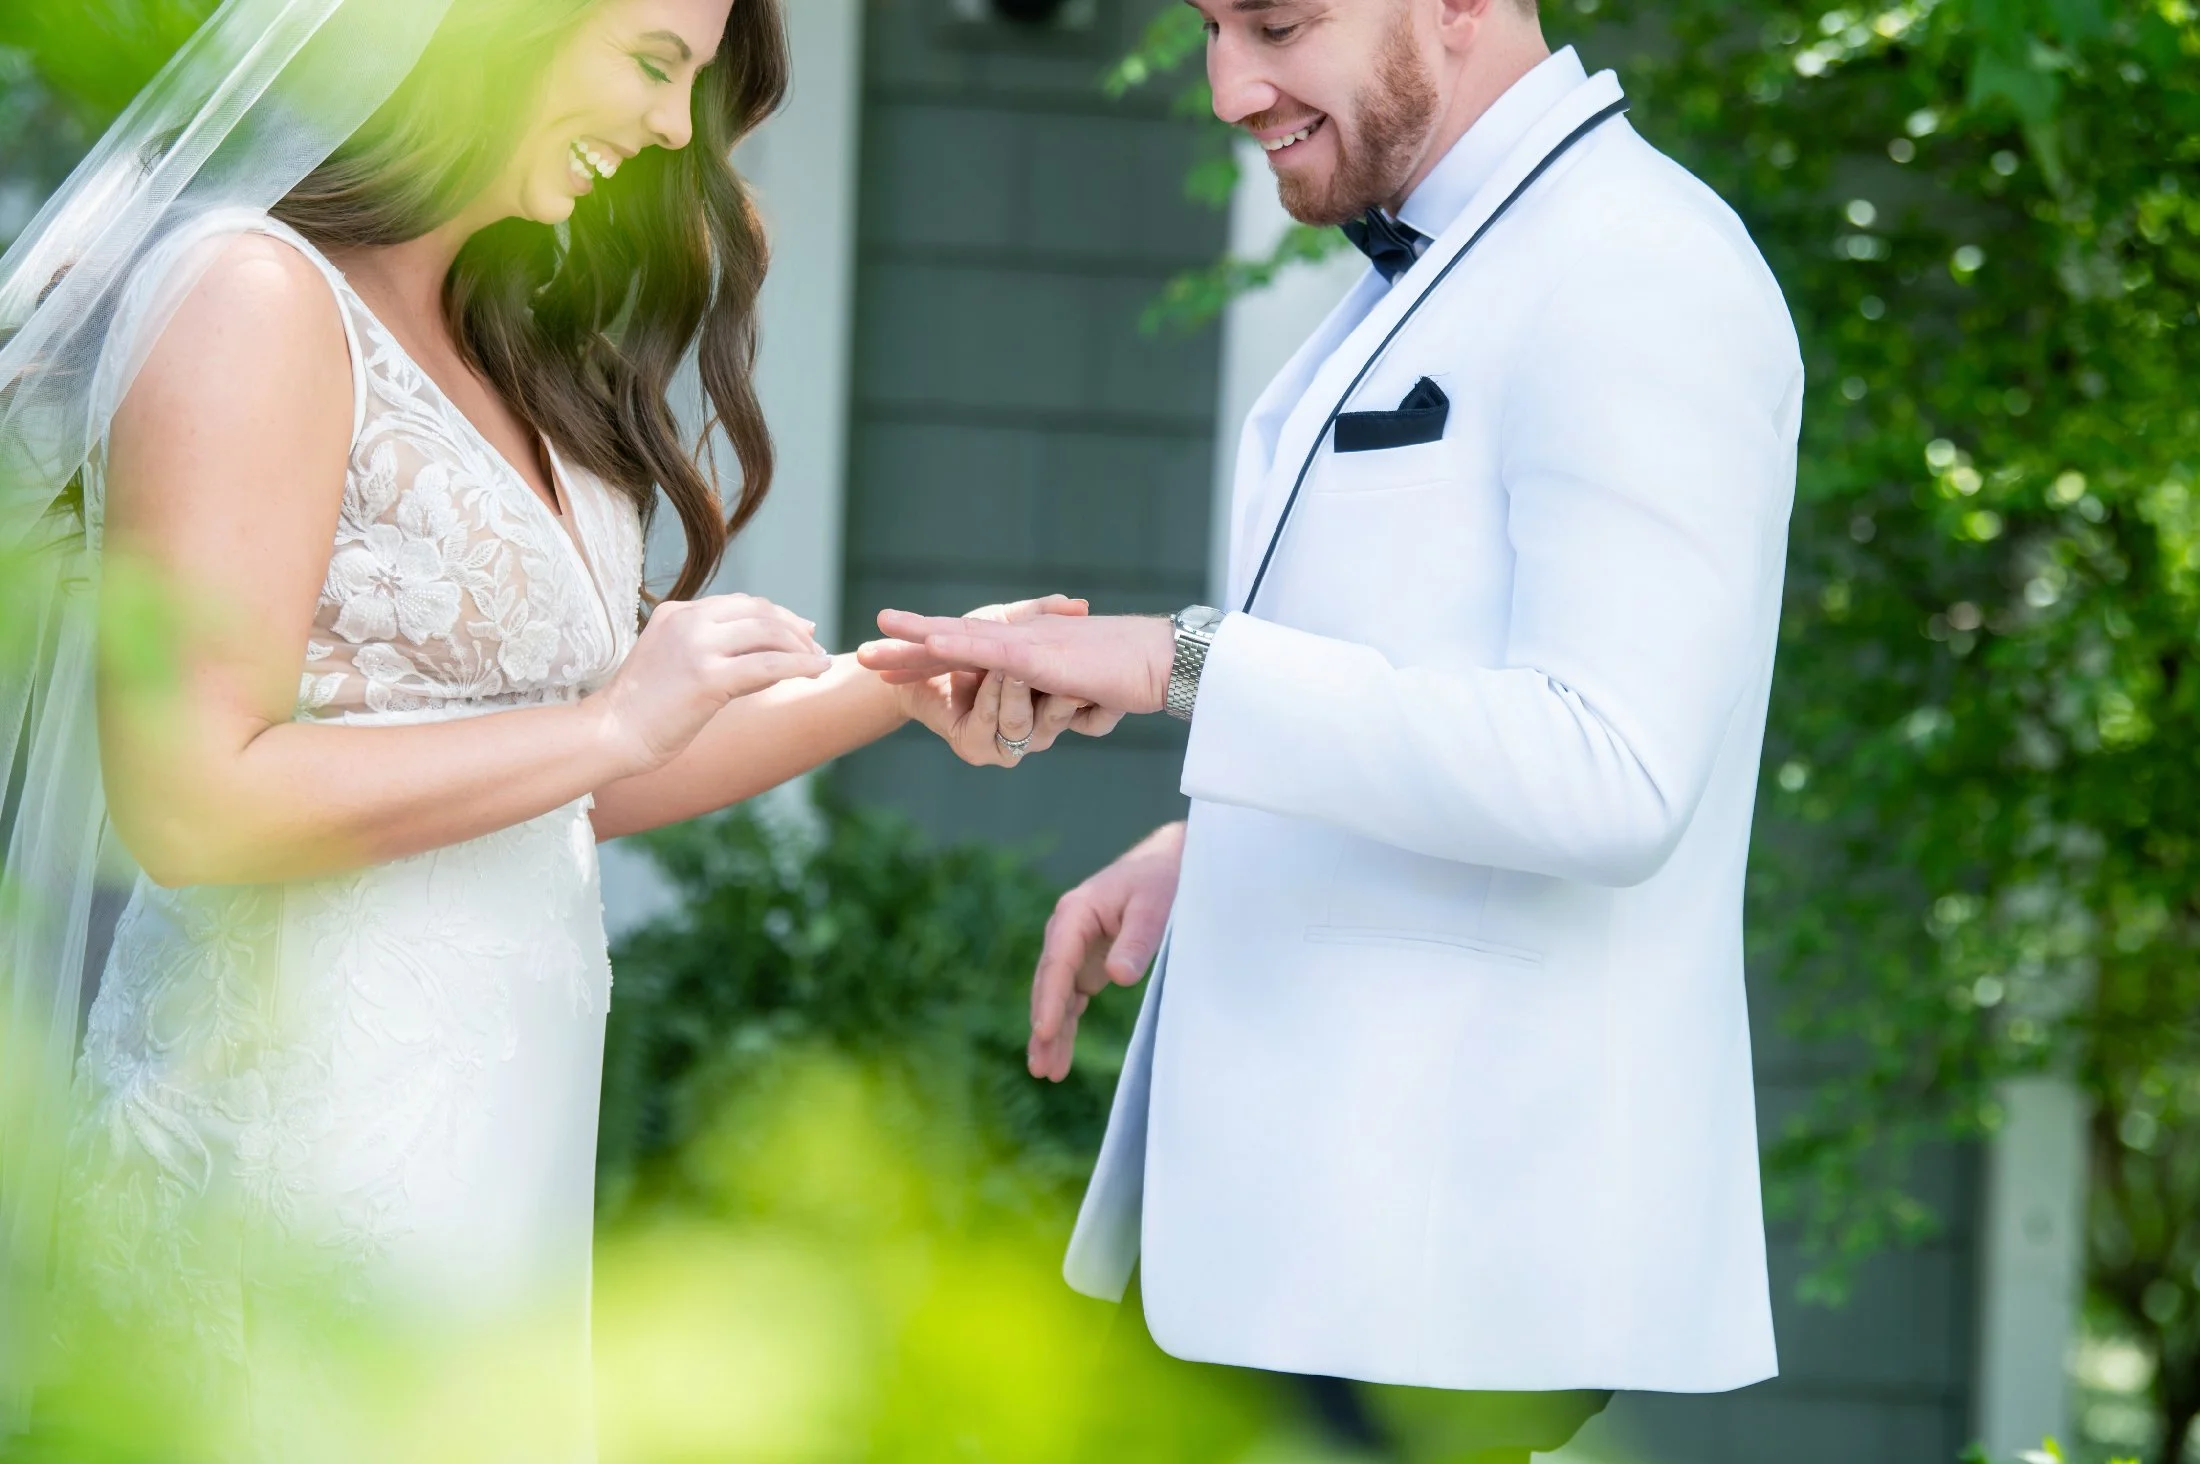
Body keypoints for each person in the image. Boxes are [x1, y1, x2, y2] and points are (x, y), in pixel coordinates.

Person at [0, 0, 1102, 1452]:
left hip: (490, 1151)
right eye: (651, 62)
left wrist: (897, 687)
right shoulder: (251, 297)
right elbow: (193, 798)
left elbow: (556, 785)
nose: (671, 127)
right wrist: (611, 725)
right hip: (285, 1155)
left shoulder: (510, 337)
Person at [861, 0, 1804, 1457]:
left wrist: (1179, 664)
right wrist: (1218, 845)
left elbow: (1612, 769)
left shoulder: (1639, 265)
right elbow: (1439, 685)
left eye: (1278, 22)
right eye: (1210, 26)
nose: (1228, 86)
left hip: (1429, 1254)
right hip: (1298, 1247)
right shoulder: (1456, 254)